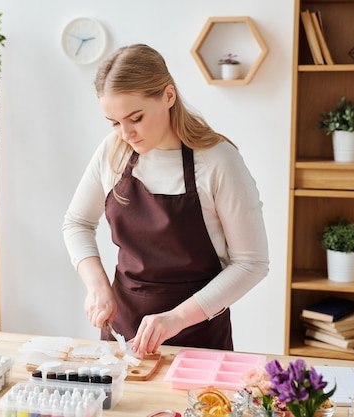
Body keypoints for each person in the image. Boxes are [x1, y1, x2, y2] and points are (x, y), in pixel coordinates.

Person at [62, 44, 269, 357]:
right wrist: (98, 286)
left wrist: (177, 318)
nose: (125, 133)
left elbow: (252, 263)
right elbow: (76, 223)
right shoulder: (112, 151)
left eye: (136, 118)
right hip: (124, 330)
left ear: (168, 96)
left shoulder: (219, 162)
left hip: (199, 335)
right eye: (114, 123)